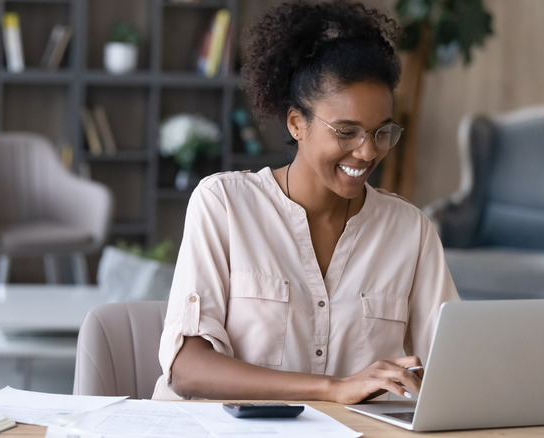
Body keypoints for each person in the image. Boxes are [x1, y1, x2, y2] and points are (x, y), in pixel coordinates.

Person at [152, 0, 458, 403]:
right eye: (346, 132)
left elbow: (451, 365)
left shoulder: (409, 230)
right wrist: (334, 389)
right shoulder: (224, 204)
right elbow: (187, 368)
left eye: (381, 133)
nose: (367, 152)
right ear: (297, 124)